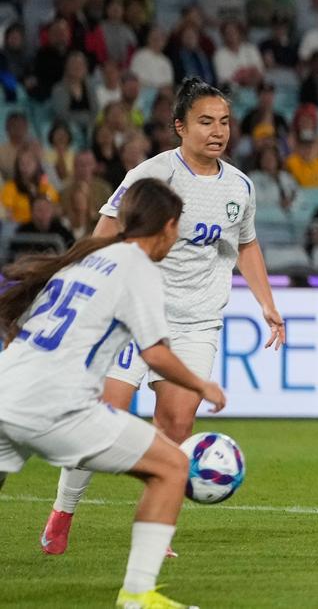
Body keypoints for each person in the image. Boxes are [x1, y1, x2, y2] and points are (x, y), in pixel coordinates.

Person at [39, 78, 285, 557]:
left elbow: (246, 244)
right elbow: (107, 228)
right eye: (206, 122)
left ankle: (155, 529)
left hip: (196, 322)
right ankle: (64, 510)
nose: (218, 132)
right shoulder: (150, 176)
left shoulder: (240, 186)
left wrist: (266, 302)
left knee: (175, 424)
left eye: (225, 122)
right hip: (134, 313)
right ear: (179, 127)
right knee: (103, 416)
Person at [0, 178, 226, 609]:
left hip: (5, 388)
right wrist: (202, 385)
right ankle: (138, 595)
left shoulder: (83, 259)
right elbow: (156, 353)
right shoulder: (137, 265)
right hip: (57, 405)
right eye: (176, 229)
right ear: (167, 227)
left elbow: (20, 327)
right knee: (173, 467)